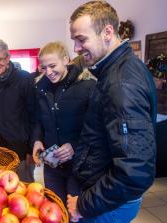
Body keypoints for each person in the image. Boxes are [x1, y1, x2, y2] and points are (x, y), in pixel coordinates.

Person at [67, 1, 157, 222]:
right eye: (75, 41)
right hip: (106, 195)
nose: (76, 49)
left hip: (108, 205)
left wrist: (83, 205)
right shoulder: (119, 69)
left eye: (81, 39)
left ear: (107, 32)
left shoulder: (121, 83)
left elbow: (135, 172)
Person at [31, 42, 96, 219]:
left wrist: (73, 145)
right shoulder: (41, 87)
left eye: (53, 66)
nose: (48, 72)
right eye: (43, 67)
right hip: (53, 166)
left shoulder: (87, 86)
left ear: (65, 60)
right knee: (55, 213)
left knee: (76, 215)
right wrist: (37, 140)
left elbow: (96, 127)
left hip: (79, 165)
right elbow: (39, 119)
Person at [0, 38, 36, 183]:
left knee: (24, 192)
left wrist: (31, 150)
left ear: (8, 58)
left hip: (20, 151)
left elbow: (34, 115)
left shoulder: (24, 78)